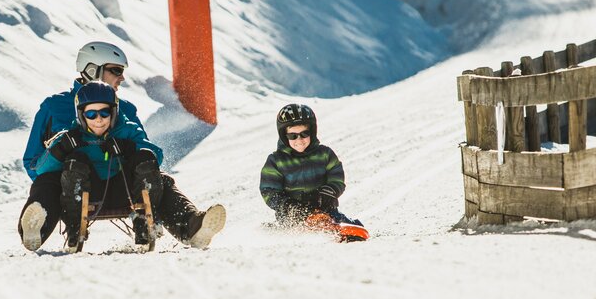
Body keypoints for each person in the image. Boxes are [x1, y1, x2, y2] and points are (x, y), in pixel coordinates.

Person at [19, 40, 225, 250]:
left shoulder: (124, 110)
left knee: (162, 181)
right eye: (116, 70)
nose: (122, 77)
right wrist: (59, 161)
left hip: (120, 184)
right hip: (71, 186)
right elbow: (32, 163)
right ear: (92, 69)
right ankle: (36, 226)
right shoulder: (54, 107)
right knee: (47, 182)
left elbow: (146, 153)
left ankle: (193, 226)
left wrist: (127, 149)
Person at [259, 103, 364, 230]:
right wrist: (287, 205)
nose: (299, 140)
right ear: (283, 136)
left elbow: (336, 178)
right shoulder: (276, 161)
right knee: (292, 228)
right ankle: (277, 231)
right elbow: (269, 190)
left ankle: (336, 230)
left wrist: (330, 191)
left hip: (325, 211)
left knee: (356, 228)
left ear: (312, 132)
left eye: (304, 134)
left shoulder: (325, 154)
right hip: (292, 217)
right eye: (292, 136)